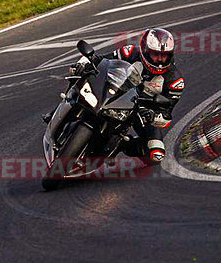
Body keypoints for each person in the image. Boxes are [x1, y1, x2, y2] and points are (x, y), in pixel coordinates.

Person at [46, 28, 185, 165]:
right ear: (145, 51)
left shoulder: (175, 81)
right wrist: (85, 63)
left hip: (140, 111)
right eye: (155, 55)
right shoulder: (130, 52)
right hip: (115, 90)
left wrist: (153, 115)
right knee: (80, 73)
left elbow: (166, 113)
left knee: (156, 154)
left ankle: (122, 145)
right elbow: (103, 61)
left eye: (164, 55)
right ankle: (58, 109)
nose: (160, 60)